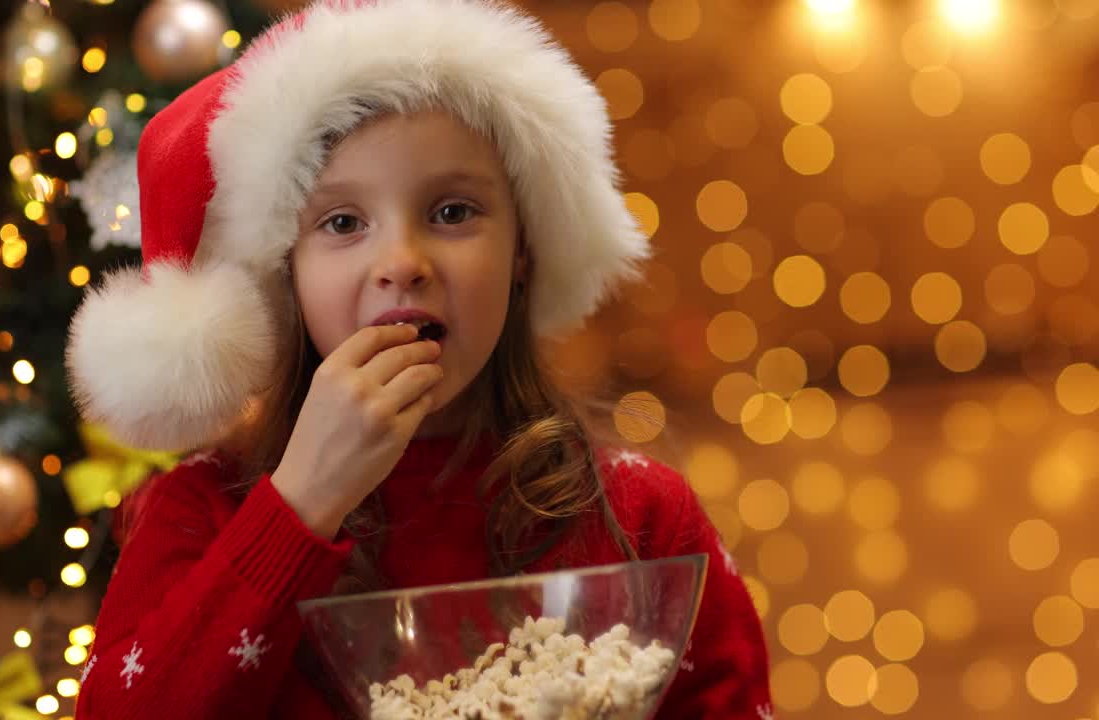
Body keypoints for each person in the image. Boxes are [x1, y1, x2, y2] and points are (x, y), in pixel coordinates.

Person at [65, 0, 773, 717]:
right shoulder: (201, 511)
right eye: (342, 222)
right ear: (285, 272)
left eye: (453, 212)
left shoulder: (640, 520)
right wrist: (299, 506)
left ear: (523, 247)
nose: (401, 263)